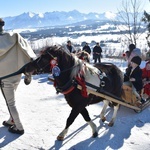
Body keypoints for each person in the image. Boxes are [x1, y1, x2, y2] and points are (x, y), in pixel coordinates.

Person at [0, 18, 36, 134]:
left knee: (10, 103)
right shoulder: (14, 36)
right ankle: (11, 120)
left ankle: (19, 127)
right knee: (11, 100)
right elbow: (27, 51)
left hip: (4, 77)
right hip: (17, 75)